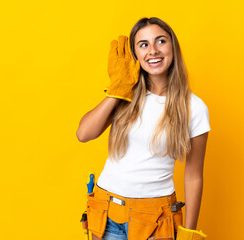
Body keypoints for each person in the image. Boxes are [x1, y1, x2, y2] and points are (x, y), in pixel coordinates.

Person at [77, 17, 210, 240]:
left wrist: (190, 232)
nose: (153, 51)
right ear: (136, 54)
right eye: (144, 44)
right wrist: (117, 88)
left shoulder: (193, 107)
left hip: (155, 218)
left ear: (173, 47)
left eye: (161, 41)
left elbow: (194, 175)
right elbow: (84, 134)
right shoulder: (124, 95)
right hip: (107, 211)